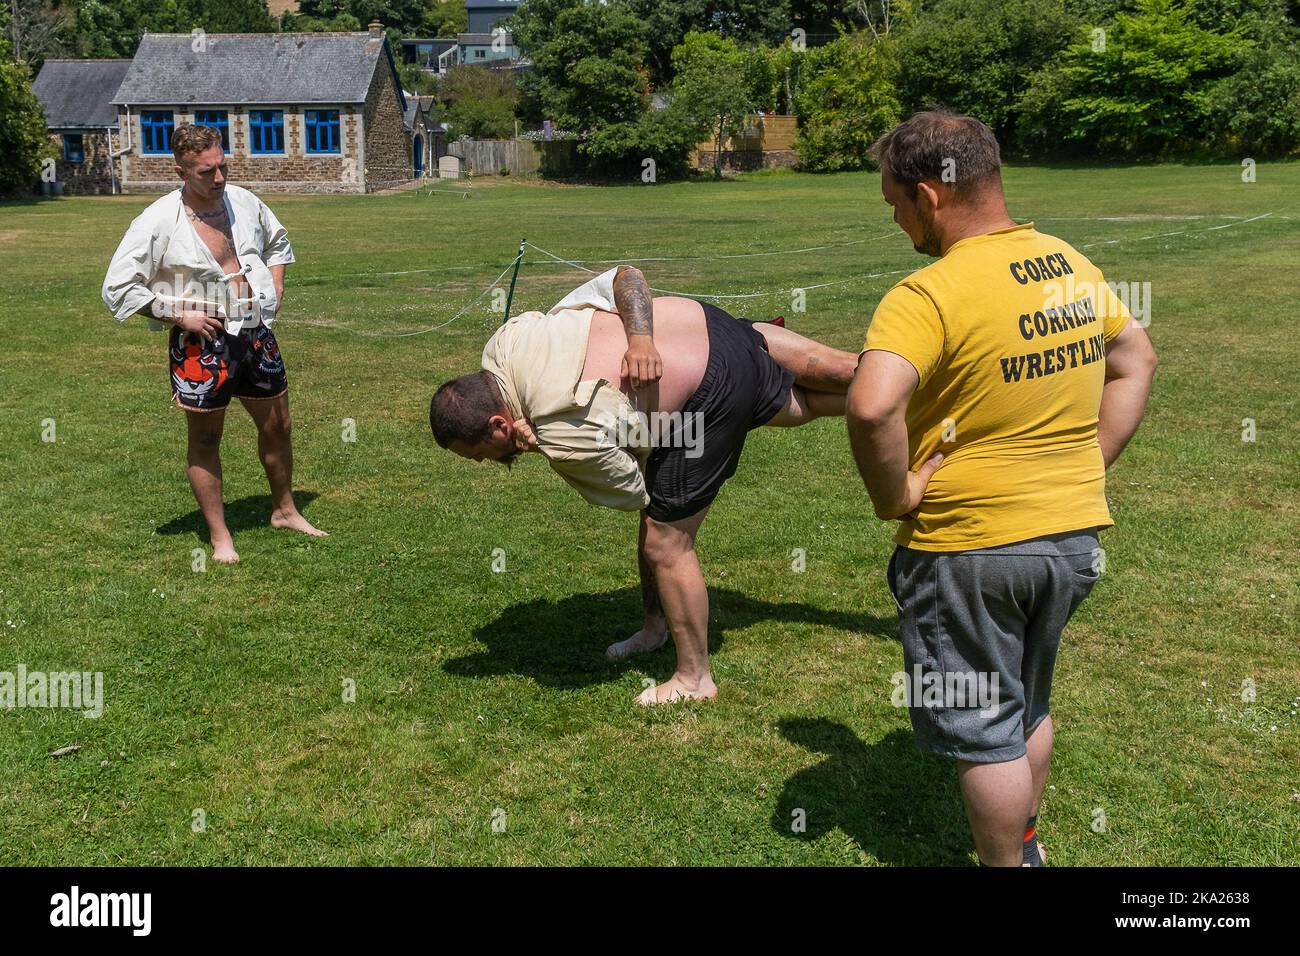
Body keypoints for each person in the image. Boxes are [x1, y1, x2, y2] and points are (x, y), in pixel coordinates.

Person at [846, 111, 1158, 866]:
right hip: (1070, 542)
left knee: (982, 728)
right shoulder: (1067, 265)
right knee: (1025, 704)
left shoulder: (928, 293)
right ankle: (1025, 846)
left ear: (930, 194)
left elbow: (870, 402)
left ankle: (1005, 866)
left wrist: (896, 497)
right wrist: (1088, 464)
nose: (897, 221)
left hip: (967, 550)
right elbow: (1136, 359)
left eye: (896, 203)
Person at [430, 266, 857, 705]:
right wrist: (640, 337)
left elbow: (635, 489)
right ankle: (906, 389)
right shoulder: (504, 343)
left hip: (709, 392)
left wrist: (547, 447)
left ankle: (695, 679)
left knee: (665, 541)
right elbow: (624, 277)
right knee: (841, 377)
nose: (489, 463)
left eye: (482, 454)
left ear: (500, 426)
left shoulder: (560, 433)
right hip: (710, 325)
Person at [102, 123, 325, 563]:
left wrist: (275, 287)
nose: (220, 178)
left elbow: (278, 241)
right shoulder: (158, 221)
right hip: (201, 342)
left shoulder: (242, 201)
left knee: (279, 425)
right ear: (181, 170)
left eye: (223, 166)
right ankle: (221, 536)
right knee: (206, 439)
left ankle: (284, 510)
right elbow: (118, 287)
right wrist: (179, 315)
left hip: (256, 330)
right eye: (207, 172)